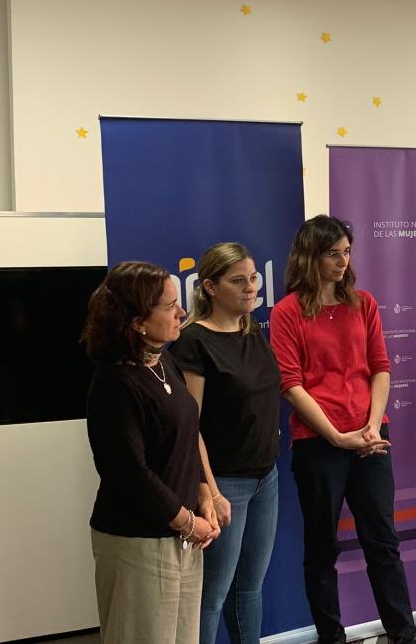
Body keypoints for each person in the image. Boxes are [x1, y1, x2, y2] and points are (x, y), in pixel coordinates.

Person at [270, 215, 416, 644]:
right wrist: (336, 436)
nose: (342, 261)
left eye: (347, 252)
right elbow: (291, 385)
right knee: (321, 550)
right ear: (310, 256)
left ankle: (403, 635)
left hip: (370, 439)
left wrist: (371, 427)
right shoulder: (287, 312)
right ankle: (331, 638)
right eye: (333, 253)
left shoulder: (363, 303)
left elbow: (381, 369)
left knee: (384, 543)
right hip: (318, 444)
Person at [83, 261, 220, 644]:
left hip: (181, 536)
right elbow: (129, 473)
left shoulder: (165, 362)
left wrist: (204, 495)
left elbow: (184, 440)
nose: (181, 313)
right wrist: (188, 522)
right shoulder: (115, 383)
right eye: (169, 306)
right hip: (137, 543)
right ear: (137, 321)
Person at [170, 243, 282, 644]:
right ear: (210, 287)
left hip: (265, 478)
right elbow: (189, 426)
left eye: (253, 278)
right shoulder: (193, 342)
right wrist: (212, 492)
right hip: (225, 483)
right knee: (212, 595)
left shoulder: (252, 332)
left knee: (250, 588)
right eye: (238, 281)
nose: (251, 287)